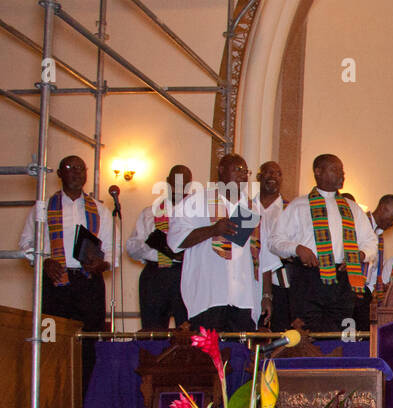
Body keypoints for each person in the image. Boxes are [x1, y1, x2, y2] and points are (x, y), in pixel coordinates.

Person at [19, 154, 113, 392]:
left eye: (81, 169)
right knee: (53, 342)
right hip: (55, 284)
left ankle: (83, 407)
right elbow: (26, 243)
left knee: (89, 345)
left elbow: (113, 249)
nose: (77, 173)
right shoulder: (42, 209)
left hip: (88, 284)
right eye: (70, 168)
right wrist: (44, 261)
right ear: (60, 173)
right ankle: (52, 401)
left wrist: (102, 264)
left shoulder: (100, 210)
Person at [269, 153, 378, 331]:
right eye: (335, 169)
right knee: (308, 333)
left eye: (342, 171)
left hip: (343, 279)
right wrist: (297, 249)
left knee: (341, 332)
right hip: (308, 278)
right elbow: (274, 241)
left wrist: (361, 254)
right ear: (318, 172)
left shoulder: (352, 207)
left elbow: (371, 241)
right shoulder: (299, 205)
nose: (341, 174)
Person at [169, 154, 269, 333]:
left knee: (239, 356)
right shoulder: (196, 202)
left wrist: (266, 295)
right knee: (207, 355)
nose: (243, 174)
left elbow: (264, 255)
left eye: (246, 171)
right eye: (237, 169)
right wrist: (213, 230)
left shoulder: (252, 208)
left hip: (243, 297)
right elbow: (176, 240)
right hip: (209, 296)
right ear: (221, 170)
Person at [126, 164, 189, 330]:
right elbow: (132, 247)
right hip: (155, 275)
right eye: (176, 180)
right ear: (168, 181)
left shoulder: (196, 214)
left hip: (185, 274)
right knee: (152, 331)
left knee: (187, 332)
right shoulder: (149, 212)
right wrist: (155, 247)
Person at [254, 161, 292, 331]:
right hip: (251, 279)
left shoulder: (290, 209)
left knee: (281, 331)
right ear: (259, 177)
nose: (273, 176)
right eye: (268, 172)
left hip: (282, 282)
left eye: (277, 173)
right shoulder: (247, 207)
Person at [359, 194, 393, 325]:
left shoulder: (379, 234)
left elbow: (374, 269)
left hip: (367, 294)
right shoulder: (360, 224)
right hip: (353, 290)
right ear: (383, 208)